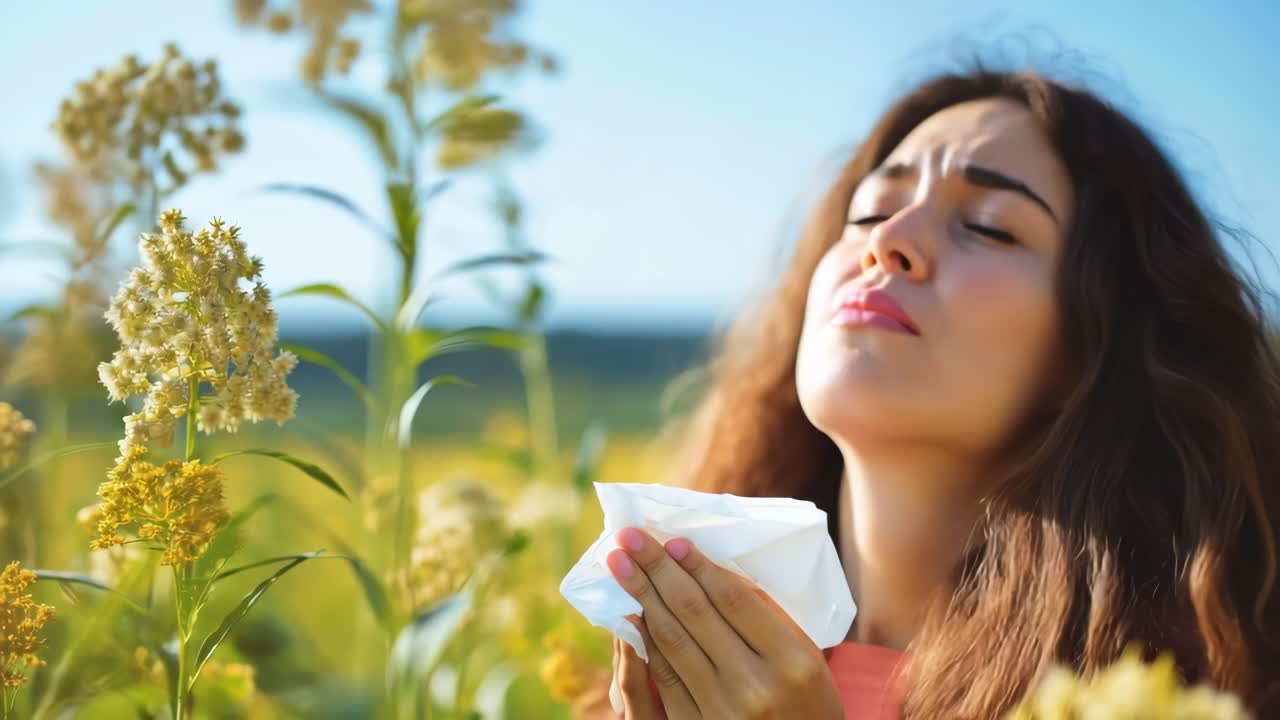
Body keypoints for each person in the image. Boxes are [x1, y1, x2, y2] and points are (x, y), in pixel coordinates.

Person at [571, 67, 1280, 719]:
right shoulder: (658, 673)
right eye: (870, 212)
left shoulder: (1156, 700)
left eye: (988, 227)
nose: (890, 242)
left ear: (1094, 350)